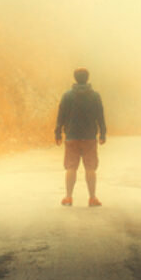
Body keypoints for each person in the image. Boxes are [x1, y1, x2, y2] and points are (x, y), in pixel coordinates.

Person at [54, 67, 107, 207]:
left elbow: (61, 116)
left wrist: (58, 133)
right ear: (87, 78)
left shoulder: (67, 96)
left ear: (75, 78)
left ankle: (68, 197)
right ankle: (92, 198)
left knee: (71, 167)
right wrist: (103, 133)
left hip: (72, 137)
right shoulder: (95, 96)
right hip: (89, 137)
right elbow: (100, 116)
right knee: (90, 168)